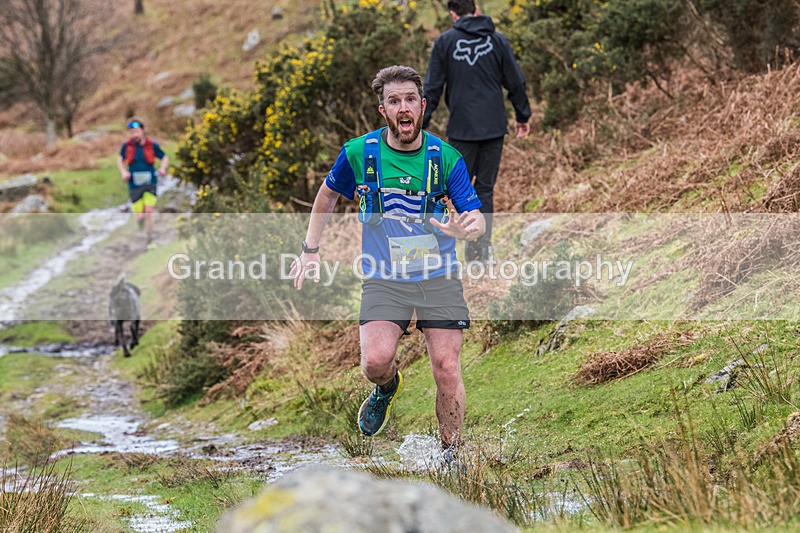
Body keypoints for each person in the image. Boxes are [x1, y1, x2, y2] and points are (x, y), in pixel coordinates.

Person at [291, 65, 485, 467]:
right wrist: (310, 249)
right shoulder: (359, 153)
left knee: (446, 367)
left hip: (437, 275)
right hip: (384, 277)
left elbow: (476, 218)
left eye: (410, 99)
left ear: (423, 105)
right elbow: (326, 197)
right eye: (394, 101)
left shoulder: (446, 158)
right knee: (374, 362)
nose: (403, 108)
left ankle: (451, 456)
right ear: (383, 110)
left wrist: (466, 228)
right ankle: (386, 388)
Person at [422, 0, 532, 262]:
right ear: (477, 10)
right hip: (494, 126)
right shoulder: (498, 40)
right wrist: (522, 115)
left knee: (447, 191)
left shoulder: (445, 42)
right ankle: (479, 253)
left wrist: (419, 126)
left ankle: (438, 252)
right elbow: (515, 81)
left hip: (461, 130)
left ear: (452, 14)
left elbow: (432, 87)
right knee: (484, 190)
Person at [117, 119, 168, 246]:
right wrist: (123, 172)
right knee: (140, 215)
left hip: (150, 183)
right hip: (134, 185)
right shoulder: (127, 146)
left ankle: (150, 239)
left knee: (149, 211)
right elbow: (120, 160)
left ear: (142, 131)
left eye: (137, 132)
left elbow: (164, 157)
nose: (134, 135)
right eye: (132, 132)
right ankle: (141, 224)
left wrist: (162, 168)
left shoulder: (152, 145)